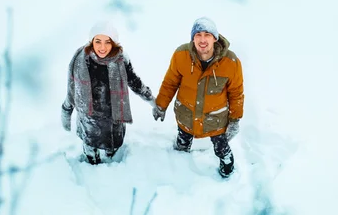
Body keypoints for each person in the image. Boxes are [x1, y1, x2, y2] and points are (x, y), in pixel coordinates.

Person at [152, 17, 244, 178]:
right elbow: (170, 83)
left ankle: (227, 170)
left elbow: (236, 92)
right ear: (192, 38)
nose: (202, 40)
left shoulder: (231, 62)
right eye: (198, 35)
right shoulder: (181, 55)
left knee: (222, 148)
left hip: (215, 118)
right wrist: (161, 105)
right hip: (186, 114)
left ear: (215, 38)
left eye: (207, 35)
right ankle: (180, 169)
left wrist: (235, 120)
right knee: (182, 143)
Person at [61, 21, 158, 165]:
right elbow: (72, 88)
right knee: (91, 153)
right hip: (89, 119)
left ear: (114, 43)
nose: (102, 47)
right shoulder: (81, 60)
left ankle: (112, 167)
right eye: (98, 41)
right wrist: (66, 110)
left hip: (113, 118)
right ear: (91, 41)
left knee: (112, 150)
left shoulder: (121, 59)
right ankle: (91, 170)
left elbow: (135, 82)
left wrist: (153, 101)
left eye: (108, 42)